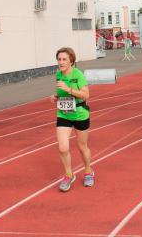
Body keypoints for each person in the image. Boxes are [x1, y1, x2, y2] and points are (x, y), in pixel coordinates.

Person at [50, 47, 94, 192]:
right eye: (59, 59)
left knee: (82, 147)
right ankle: (69, 175)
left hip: (80, 114)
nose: (61, 62)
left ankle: (88, 171)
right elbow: (61, 93)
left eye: (64, 59)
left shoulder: (78, 75)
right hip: (64, 114)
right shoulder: (58, 74)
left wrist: (68, 89)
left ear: (71, 61)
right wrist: (56, 96)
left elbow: (86, 95)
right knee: (63, 148)